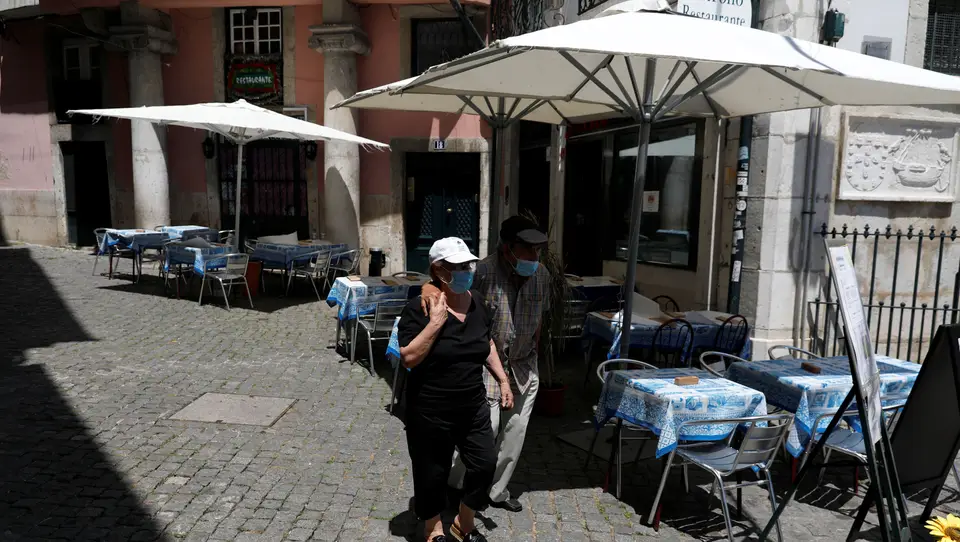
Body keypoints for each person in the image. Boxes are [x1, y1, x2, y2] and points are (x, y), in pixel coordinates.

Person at [421, 216, 551, 513]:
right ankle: (456, 485)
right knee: (484, 429)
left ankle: (497, 490)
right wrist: (427, 290)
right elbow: (444, 289)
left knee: (515, 432)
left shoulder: (542, 275)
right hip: (487, 365)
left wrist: (537, 354)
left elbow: (540, 319)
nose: (534, 256)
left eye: (537, 250)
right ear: (508, 248)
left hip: (524, 365)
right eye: (527, 249)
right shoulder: (481, 271)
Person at [398, 237, 515, 542]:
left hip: (472, 404)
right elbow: (408, 357)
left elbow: (486, 342)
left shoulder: (476, 301)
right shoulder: (420, 306)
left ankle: (463, 523)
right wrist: (436, 323)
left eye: (468, 265)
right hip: (429, 407)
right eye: (457, 266)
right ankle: (432, 527)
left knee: (485, 463)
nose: (466, 270)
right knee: (431, 472)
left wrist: (502, 379)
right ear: (438, 270)